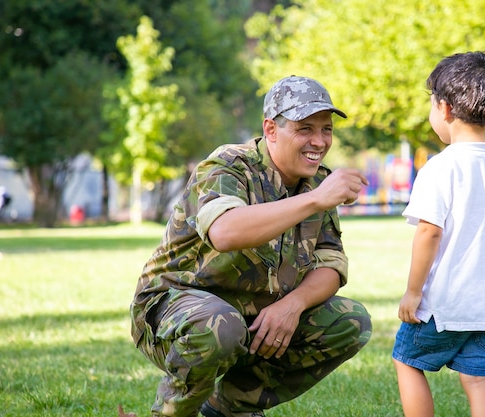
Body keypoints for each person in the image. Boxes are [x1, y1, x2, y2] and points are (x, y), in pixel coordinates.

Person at [129, 75, 372, 417]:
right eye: (305, 129)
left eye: (327, 129)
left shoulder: (317, 182)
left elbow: (330, 264)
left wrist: (292, 305)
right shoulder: (227, 166)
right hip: (173, 310)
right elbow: (225, 232)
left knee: (350, 321)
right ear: (271, 129)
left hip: (252, 318)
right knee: (221, 326)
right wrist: (316, 199)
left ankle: (229, 408)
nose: (319, 141)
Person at [392, 52, 485, 417]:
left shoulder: (441, 167)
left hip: (443, 305)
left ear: (444, 109)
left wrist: (413, 292)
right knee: (477, 379)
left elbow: (429, 232)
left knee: (407, 361)